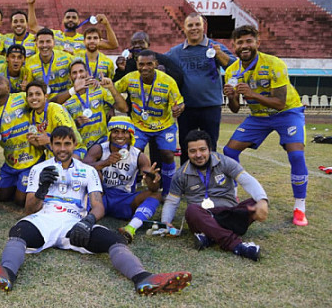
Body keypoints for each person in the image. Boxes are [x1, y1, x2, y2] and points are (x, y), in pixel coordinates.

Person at [0, 126, 191, 295]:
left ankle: (143, 278)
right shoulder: (39, 169)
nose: (63, 149)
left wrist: (88, 221)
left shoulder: (88, 171)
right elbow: (29, 209)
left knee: (113, 239)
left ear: (74, 144)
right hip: (44, 218)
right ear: (52, 146)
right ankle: (6, 274)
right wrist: (42, 189)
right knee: (18, 231)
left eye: (67, 144)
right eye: (58, 144)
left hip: (74, 221)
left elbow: (98, 205)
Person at [222, 25, 308, 226]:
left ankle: (299, 207)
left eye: (249, 41)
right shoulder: (232, 71)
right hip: (259, 116)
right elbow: (234, 109)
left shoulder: (274, 64)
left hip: (287, 112)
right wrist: (231, 96)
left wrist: (252, 95)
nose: (244, 46)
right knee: (229, 151)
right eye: (240, 42)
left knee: (296, 154)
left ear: (257, 43)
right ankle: (232, 195)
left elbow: (279, 102)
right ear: (234, 46)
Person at [162, 130, 269, 260]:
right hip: (202, 217)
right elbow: (172, 202)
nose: (198, 155)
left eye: (202, 149)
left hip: (229, 214)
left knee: (255, 202)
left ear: (210, 149)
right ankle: (237, 245)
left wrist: (262, 200)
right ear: (187, 152)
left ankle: (210, 237)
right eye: (193, 151)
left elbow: (246, 180)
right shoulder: (180, 174)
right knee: (191, 210)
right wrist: (165, 222)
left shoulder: (224, 162)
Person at [114, 50, 185, 196]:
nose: (145, 67)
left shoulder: (167, 81)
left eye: (149, 64)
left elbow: (180, 102)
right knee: (132, 154)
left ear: (156, 64)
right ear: (137, 65)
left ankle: (168, 192)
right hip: (139, 126)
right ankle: (128, 191)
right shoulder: (130, 78)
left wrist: (178, 108)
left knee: (168, 154)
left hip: (164, 125)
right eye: (141, 64)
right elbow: (113, 90)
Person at [167, 13, 235, 163]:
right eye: (190, 25)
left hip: (210, 107)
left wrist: (219, 54)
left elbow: (234, 66)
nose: (194, 28)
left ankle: (209, 179)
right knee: (187, 146)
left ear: (203, 27)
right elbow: (159, 67)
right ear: (184, 29)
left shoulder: (215, 47)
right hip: (186, 108)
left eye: (197, 24)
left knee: (210, 146)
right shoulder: (175, 52)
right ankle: (186, 179)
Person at [84, 116, 162, 243]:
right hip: (100, 196)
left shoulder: (138, 155)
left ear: (130, 135)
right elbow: (82, 168)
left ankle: (131, 227)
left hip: (124, 199)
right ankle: (83, 222)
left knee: (156, 195)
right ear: (109, 134)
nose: (120, 135)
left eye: (125, 132)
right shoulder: (99, 148)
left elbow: (153, 187)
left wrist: (152, 178)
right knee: (94, 175)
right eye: (115, 131)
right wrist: (105, 163)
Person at [0, 75, 42, 206]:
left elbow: (40, 102)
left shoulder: (21, 97)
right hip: (11, 163)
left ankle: (33, 184)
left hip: (30, 160)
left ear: (8, 88)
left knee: (20, 201)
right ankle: (20, 183)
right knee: (2, 198)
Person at [54, 58, 126, 149]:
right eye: (74, 73)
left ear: (87, 73)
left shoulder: (99, 90)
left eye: (81, 71)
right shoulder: (66, 98)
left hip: (102, 143)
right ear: (69, 77)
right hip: (80, 147)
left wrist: (111, 88)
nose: (79, 75)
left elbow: (124, 108)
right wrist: (75, 123)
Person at [27, 0, 118, 54]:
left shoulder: (85, 39)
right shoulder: (54, 35)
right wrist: (31, 5)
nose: (70, 19)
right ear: (63, 21)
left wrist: (107, 24)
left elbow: (112, 45)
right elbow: (33, 26)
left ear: (79, 22)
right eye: (68, 17)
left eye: (74, 18)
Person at [25, 80, 85, 159]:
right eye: (30, 95)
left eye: (38, 94)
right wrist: (36, 143)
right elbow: (44, 146)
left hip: (74, 150)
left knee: (68, 166)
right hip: (53, 155)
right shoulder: (31, 116)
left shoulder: (55, 109)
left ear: (45, 97)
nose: (34, 97)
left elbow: (71, 138)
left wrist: (49, 140)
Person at [26, 28, 72, 96]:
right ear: (36, 44)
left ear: (54, 43)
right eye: (41, 42)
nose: (44, 45)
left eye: (48, 41)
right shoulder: (29, 63)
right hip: (42, 103)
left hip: (65, 101)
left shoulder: (67, 58)